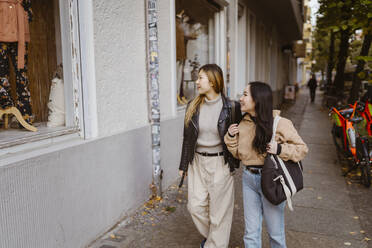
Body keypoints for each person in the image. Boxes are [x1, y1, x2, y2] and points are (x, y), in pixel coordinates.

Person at [224, 82, 308, 248]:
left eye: (245, 95)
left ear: (258, 99)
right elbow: (239, 155)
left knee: (275, 234)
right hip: (249, 178)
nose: (240, 99)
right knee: (250, 233)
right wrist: (231, 137)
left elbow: (302, 149)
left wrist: (280, 149)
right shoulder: (243, 123)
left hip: (273, 180)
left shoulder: (280, 123)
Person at [179, 64, 242, 248]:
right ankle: (216, 238)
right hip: (197, 162)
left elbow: (240, 137)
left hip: (221, 163)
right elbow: (187, 138)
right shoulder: (192, 106)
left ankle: (213, 244)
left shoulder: (231, 107)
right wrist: (183, 165)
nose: (197, 81)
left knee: (219, 212)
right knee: (195, 207)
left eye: (201, 78)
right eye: (198, 78)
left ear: (213, 81)